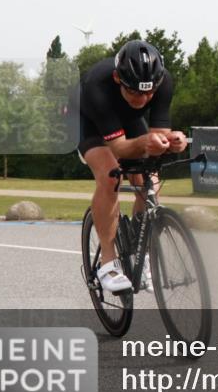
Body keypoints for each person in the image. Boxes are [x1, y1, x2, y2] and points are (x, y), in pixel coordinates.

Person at [78, 40, 187, 292]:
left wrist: (173, 142)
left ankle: (141, 251)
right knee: (110, 176)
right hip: (89, 120)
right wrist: (146, 142)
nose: (144, 98)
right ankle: (108, 262)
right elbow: (117, 148)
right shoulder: (98, 85)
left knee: (151, 179)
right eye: (136, 92)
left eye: (149, 93)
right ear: (118, 78)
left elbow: (159, 137)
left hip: (129, 121)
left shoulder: (164, 82)